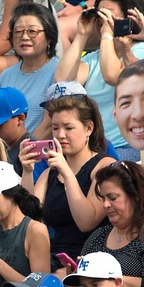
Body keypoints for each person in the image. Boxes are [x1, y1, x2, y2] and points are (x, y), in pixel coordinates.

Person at [53, 0, 144, 159]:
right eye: (99, 17)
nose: (102, 22)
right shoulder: (93, 58)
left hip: (131, 147)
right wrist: (82, 35)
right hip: (96, 147)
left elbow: (113, 77)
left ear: (128, 21)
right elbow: (62, 80)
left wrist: (107, 34)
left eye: (109, 16)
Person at [65, 161, 144, 287]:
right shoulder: (98, 236)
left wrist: (106, 276)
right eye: (103, 199)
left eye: (113, 198)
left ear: (135, 195)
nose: (106, 205)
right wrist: (76, 278)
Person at [23, 92, 112, 263]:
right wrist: (27, 172)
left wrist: (67, 173)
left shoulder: (104, 166)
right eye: (55, 128)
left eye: (68, 128)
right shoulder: (49, 172)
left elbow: (86, 223)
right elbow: (29, 218)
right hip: (53, 257)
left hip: (89, 261)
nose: (60, 135)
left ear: (89, 129)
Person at [0, 3, 61, 138]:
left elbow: (49, 124)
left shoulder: (58, 71)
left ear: (49, 37)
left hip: (40, 153)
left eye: (32, 31)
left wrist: (23, 150)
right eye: (18, 32)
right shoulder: (6, 76)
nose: (24, 37)